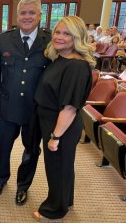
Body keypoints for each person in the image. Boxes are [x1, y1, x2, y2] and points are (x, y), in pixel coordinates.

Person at [0, 0, 51, 205]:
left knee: (31, 150)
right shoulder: (4, 39)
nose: (27, 17)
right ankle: (0, 179)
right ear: (17, 15)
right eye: (23, 12)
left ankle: (23, 186)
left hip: (34, 109)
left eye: (32, 13)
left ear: (39, 16)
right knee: (3, 147)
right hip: (7, 106)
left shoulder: (50, 41)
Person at [33, 16, 94, 221]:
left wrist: (55, 137)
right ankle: (65, 200)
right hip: (52, 120)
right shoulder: (62, 58)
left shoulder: (76, 66)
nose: (59, 37)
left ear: (77, 37)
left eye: (66, 33)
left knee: (57, 167)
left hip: (61, 125)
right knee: (64, 165)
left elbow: (69, 107)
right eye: (57, 32)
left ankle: (54, 210)